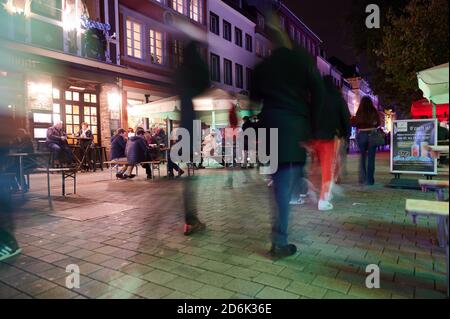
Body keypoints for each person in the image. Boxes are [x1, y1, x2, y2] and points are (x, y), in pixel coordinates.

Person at [250, 15, 324, 258]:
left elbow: (253, 102)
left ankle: (280, 235)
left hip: (272, 131)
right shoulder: (300, 61)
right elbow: (319, 94)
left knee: (281, 182)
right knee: (286, 182)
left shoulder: (263, 68)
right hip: (295, 131)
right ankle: (279, 241)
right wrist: (313, 130)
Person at [176, 40, 209, 236]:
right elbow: (204, 82)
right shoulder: (194, 69)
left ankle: (190, 218)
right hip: (190, 125)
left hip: (184, 125)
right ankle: (190, 219)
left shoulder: (180, 71)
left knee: (190, 174)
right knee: (190, 176)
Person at [308, 75, 351, 211]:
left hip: (313, 138)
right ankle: (323, 199)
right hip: (328, 137)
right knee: (328, 168)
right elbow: (345, 118)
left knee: (315, 165)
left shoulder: (314, 98)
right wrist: (345, 134)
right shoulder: (338, 99)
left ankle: (313, 188)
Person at [352, 96, 381, 185]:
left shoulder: (359, 112)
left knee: (362, 157)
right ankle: (370, 180)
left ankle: (362, 179)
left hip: (362, 135)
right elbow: (378, 123)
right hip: (372, 134)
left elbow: (354, 123)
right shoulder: (374, 111)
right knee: (371, 158)